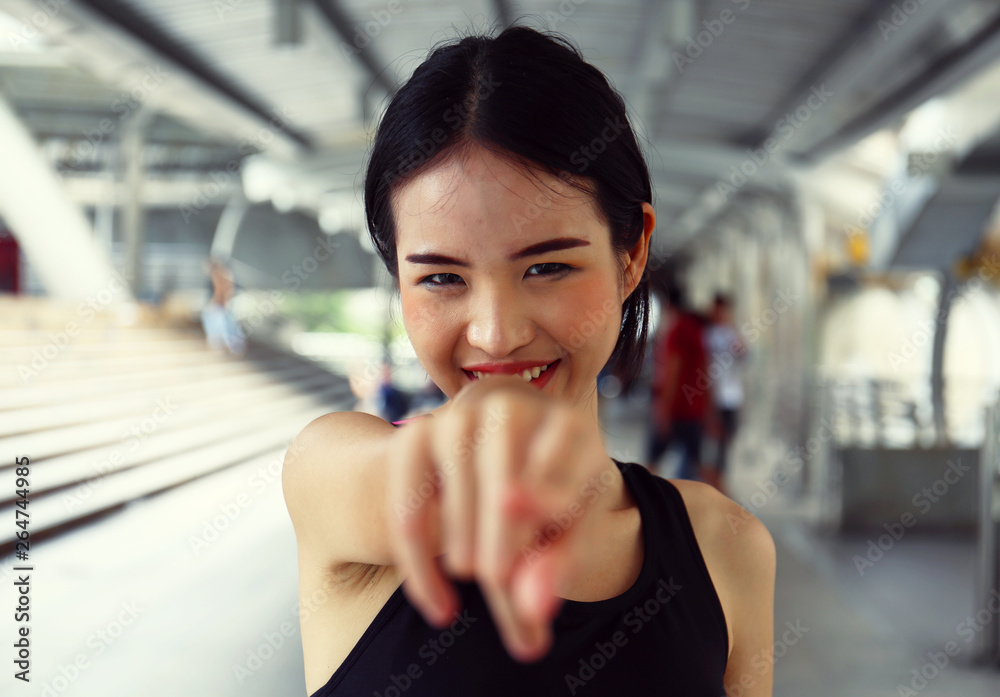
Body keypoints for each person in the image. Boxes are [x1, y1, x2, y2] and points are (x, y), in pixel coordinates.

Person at [281, 25, 775, 697]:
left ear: (630, 257)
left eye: (547, 267)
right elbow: (392, 484)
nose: (496, 333)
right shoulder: (332, 479)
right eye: (441, 278)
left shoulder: (727, 549)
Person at [646, 285, 710, 480]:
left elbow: (672, 374)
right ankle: (729, 507)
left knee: (650, 466)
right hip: (694, 409)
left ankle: (634, 506)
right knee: (698, 463)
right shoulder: (697, 329)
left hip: (677, 410)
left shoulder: (677, 330)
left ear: (668, 306)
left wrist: (664, 411)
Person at [701, 293, 746, 496]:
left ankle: (719, 479)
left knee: (727, 439)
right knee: (713, 439)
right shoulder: (707, 334)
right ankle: (714, 482)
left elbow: (744, 354)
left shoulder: (731, 333)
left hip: (732, 396)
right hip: (713, 396)